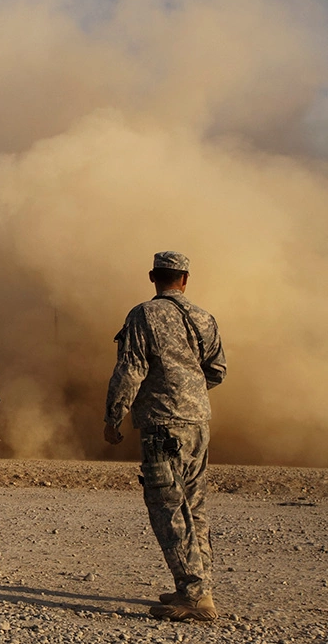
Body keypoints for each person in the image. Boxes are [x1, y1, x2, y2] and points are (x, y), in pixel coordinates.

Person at [105, 252, 227, 622]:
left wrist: (114, 416)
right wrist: (189, 392)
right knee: (194, 506)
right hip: (198, 423)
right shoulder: (204, 318)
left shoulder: (144, 315)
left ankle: (193, 596)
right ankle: (200, 587)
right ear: (185, 279)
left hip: (163, 425)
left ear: (152, 276)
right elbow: (217, 370)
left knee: (168, 507)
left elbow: (131, 369)